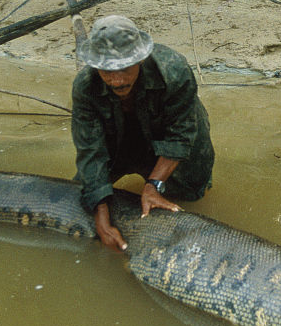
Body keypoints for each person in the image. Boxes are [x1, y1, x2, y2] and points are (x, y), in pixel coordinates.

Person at [71, 15, 214, 251]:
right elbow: (90, 151)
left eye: (125, 68)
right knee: (85, 197)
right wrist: (101, 213)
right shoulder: (85, 87)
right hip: (117, 140)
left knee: (192, 193)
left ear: (141, 59)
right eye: (106, 70)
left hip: (167, 134)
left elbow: (181, 134)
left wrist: (153, 185)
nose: (116, 80)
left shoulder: (173, 70)